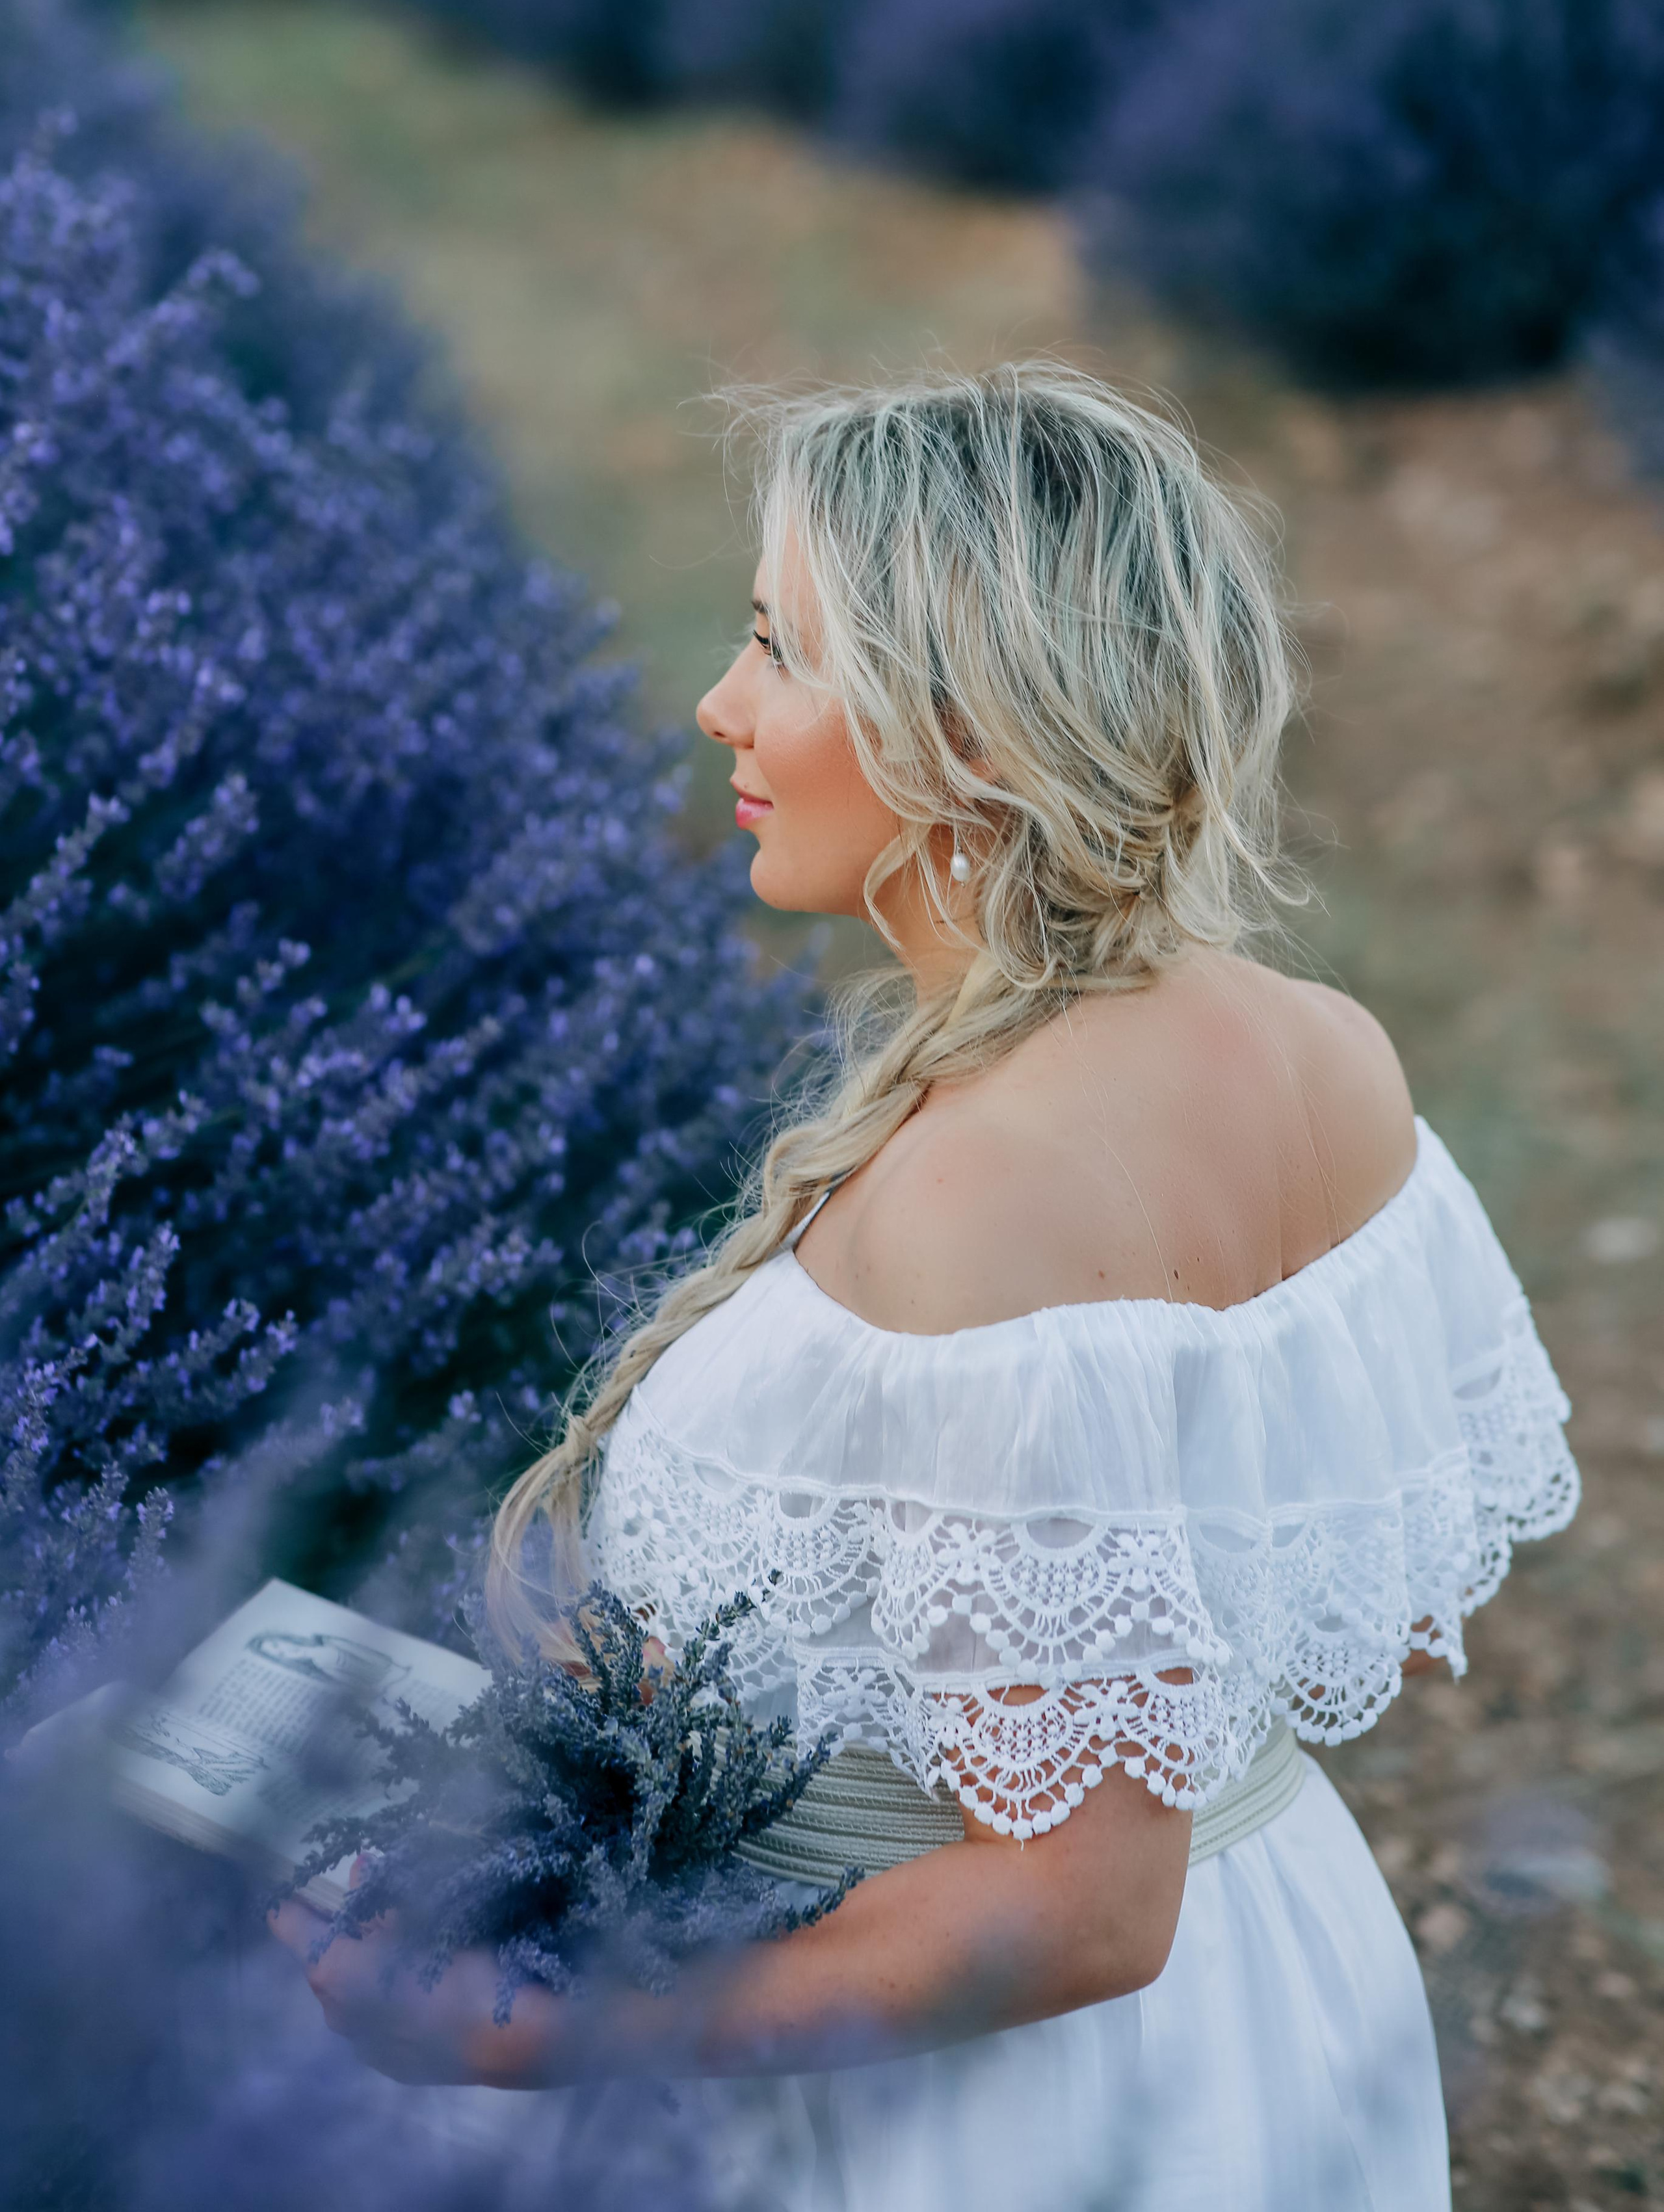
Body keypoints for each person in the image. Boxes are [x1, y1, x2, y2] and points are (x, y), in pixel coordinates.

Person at [272, 364, 1579, 2210]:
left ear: (964, 729)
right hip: (1271, 1970)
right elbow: (1314, 1609)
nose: (719, 707)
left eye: (778, 652)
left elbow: (1081, 1906)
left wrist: (533, 2026)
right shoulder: (1320, 1048)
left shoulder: (991, 1196)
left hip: (994, 2117)